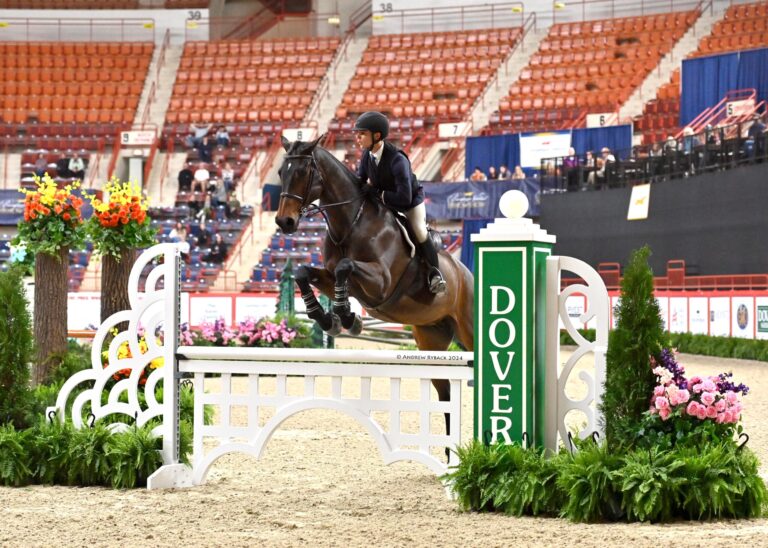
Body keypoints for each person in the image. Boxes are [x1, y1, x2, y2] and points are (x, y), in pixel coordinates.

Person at [352, 111, 446, 294]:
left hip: (410, 203)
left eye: (362, 133)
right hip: (385, 200)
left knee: (419, 231)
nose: (358, 138)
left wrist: (377, 193)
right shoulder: (366, 156)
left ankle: (436, 274)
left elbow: (404, 197)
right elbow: (361, 181)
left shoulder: (397, 159)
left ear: (376, 135)